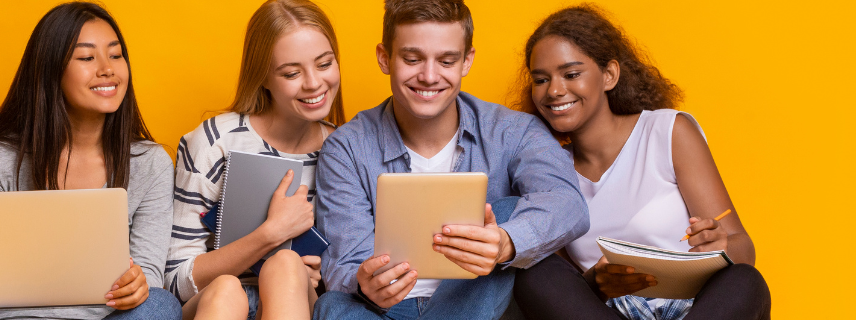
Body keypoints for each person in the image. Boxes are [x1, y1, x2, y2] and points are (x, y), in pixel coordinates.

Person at [311, 0, 589, 318]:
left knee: (507, 211)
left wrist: (505, 242)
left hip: (474, 301)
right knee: (332, 305)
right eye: (413, 59)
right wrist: (364, 283)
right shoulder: (345, 148)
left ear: (466, 62)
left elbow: (569, 203)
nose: (429, 76)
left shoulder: (514, 131)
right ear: (385, 58)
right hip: (387, 310)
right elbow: (343, 265)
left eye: (446, 60)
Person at [0, 2, 180, 320]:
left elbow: (149, 275)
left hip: (106, 318)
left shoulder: (151, 163)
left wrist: (137, 285)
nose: (107, 68)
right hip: (11, 317)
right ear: (50, 71)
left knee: (160, 304)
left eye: (116, 54)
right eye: (86, 57)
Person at [510, 5, 770, 320]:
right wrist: (596, 282)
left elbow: (745, 251)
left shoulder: (667, 131)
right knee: (533, 273)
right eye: (540, 79)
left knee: (746, 281)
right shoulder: (547, 172)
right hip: (613, 313)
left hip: (698, 308)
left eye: (571, 74)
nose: (553, 90)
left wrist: (720, 247)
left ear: (609, 75)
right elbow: (567, 292)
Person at [164, 1, 345, 319]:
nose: (314, 83)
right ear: (262, 77)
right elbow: (175, 281)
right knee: (225, 290)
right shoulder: (215, 142)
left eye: (324, 64)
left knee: (287, 267)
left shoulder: (344, 150)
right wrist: (270, 234)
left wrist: (318, 276)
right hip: (216, 303)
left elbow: (350, 280)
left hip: (296, 302)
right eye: (291, 72)